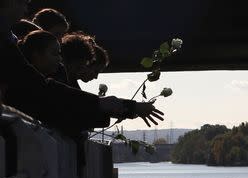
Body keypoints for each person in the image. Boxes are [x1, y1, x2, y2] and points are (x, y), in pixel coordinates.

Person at [0, 0, 163, 131]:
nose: (27, 3)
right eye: (21, 1)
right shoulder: (7, 46)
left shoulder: (10, 41)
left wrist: (117, 108)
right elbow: (47, 93)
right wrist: (120, 107)